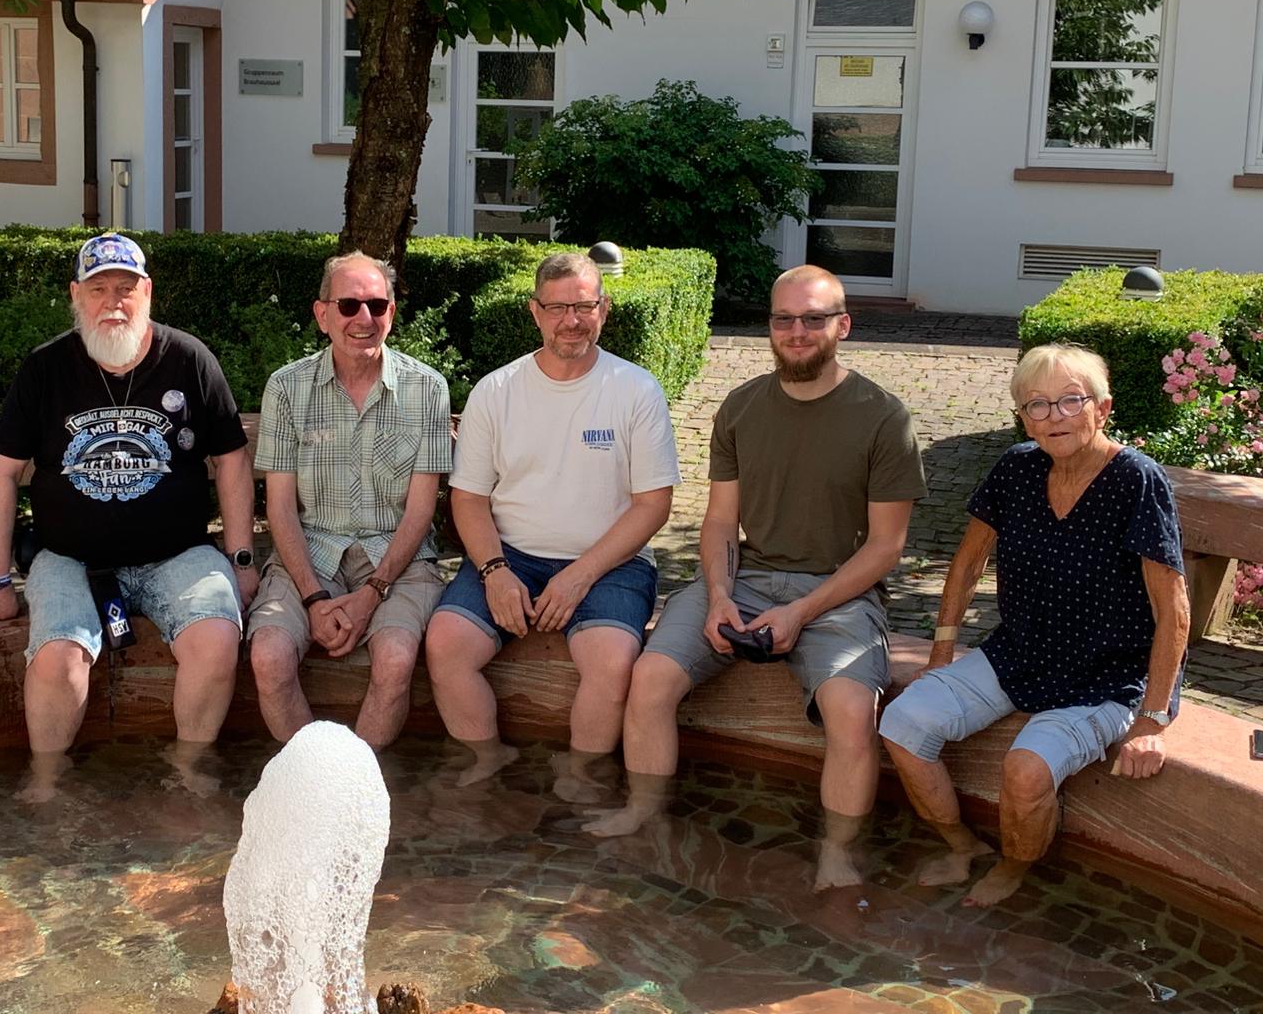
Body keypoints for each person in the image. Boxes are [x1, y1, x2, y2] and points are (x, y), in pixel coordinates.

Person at [585, 265, 926, 894]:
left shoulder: (883, 417)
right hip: (744, 579)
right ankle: (644, 813)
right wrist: (718, 595)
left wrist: (802, 612)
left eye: (814, 319)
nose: (797, 332)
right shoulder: (741, 407)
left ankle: (837, 853)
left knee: (853, 713)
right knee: (650, 678)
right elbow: (719, 520)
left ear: (843, 326)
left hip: (839, 591)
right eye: (783, 319)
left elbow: (886, 548)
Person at [880, 343, 1189, 907]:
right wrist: (941, 655)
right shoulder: (1018, 467)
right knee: (903, 723)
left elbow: (1173, 607)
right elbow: (968, 562)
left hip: (1105, 677)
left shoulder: (1137, 480)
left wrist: (1152, 720)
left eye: (1071, 400)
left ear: (1103, 408)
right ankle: (962, 845)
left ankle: (1013, 867)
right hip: (1018, 654)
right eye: (1037, 405)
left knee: (1025, 772)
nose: (1054, 416)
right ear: (1023, 418)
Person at [0, 232, 257, 800]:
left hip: (179, 555)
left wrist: (242, 560)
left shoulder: (190, 360)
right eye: (98, 289)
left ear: (147, 292)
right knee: (59, 657)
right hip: (69, 558)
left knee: (216, 639)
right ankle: (47, 786)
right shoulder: (45, 368)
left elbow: (231, 461)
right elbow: (0, 474)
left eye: (126, 289)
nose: (113, 302)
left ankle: (188, 774)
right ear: (75, 295)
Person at [424, 252, 680, 793]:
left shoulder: (636, 390)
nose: (572, 320)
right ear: (535, 311)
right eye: (558, 308)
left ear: (604, 309)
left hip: (611, 562)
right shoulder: (496, 391)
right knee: (446, 643)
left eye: (584, 306)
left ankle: (580, 777)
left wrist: (580, 575)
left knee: (613, 662)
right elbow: (468, 499)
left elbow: (653, 504)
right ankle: (487, 759)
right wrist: (494, 571)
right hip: (510, 554)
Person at [246, 253, 452, 748]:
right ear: (323, 315)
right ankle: (312, 778)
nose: (364, 318)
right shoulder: (287, 387)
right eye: (349, 305)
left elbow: (420, 512)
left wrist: (372, 594)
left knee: (396, 659)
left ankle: (358, 781)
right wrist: (314, 599)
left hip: (399, 561)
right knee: (268, 657)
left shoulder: (427, 389)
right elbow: (280, 509)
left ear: (391, 313)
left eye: (377, 305)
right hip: (309, 553)